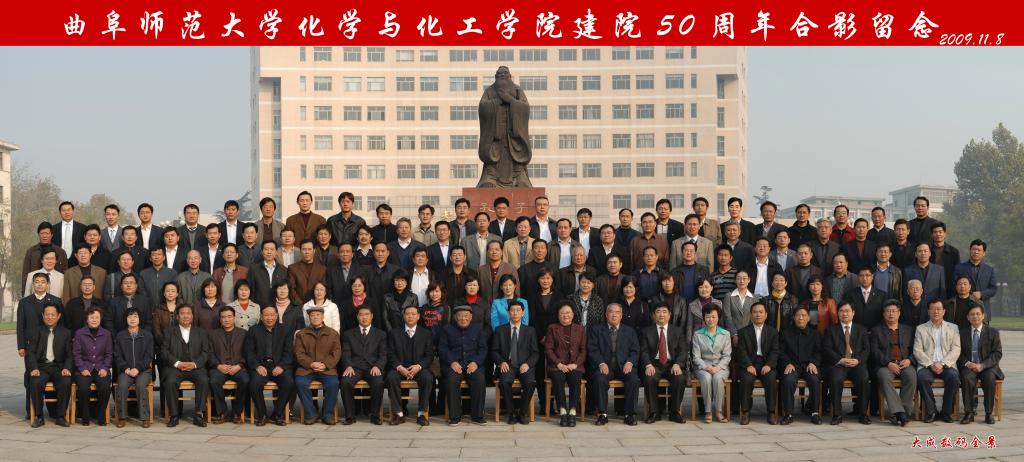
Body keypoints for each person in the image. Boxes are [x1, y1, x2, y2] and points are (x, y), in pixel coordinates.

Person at [587, 303, 640, 426]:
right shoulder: (596, 329)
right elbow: (592, 349)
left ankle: (629, 414)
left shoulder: (629, 331)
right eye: (611, 312)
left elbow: (635, 350)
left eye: (617, 312)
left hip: (624, 366)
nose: (614, 315)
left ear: (621, 315)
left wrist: (630, 362)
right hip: (605, 366)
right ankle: (602, 414)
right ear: (606, 315)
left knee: (633, 379)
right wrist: (600, 362)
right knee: (599, 379)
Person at [160, 305, 209, 428]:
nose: (185, 316)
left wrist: (194, 364)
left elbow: (206, 352)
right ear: (177, 317)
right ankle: (174, 415)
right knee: (170, 381)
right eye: (182, 313)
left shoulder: (201, 332)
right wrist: (178, 363)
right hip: (175, 368)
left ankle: (198, 414)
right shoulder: (168, 332)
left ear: (192, 316)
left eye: (188, 313)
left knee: (204, 380)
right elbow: (164, 352)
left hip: (195, 367)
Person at [245, 305, 295, 426]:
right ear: (261, 317)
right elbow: (249, 352)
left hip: (279, 365)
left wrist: (282, 366)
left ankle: (277, 414)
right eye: (266, 315)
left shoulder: (285, 329)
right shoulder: (254, 330)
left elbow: (289, 351)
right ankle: (262, 414)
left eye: (272, 315)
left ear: (277, 316)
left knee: (289, 383)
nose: (269, 318)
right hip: (261, 366)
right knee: (254, 384)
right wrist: (257, 366)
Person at [912, 300, 961, 423]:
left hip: (946, 365)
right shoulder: (921, 329)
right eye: (933, 309)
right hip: (927, 365)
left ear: (944, 311)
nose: (936, 311)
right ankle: (931, 411)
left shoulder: (953, 328)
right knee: (922, 378)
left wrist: (942, 363)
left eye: (939, 309)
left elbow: (956, 349)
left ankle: (946, 412)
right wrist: (931, 364)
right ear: (928, 311)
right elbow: (917, 350)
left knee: (953, 378)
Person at [440, 305, 489, 426]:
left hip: (472, 364)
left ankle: (477, 416)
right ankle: (455, 416)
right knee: (451, 381)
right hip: (454, 365)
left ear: (471, 317)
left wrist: (476, 362)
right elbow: (443, 349)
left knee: (480, 379)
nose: (463, 318)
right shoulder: (447, 329)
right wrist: (452, 361)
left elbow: (483, 349)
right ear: (455, 317)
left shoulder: (478, 329)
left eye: (466, 316)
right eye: (460, 316)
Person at [822, 303, 871, 425]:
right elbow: (826, 349)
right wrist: (840, 360)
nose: (844, 314)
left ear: (853, 313)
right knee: (835, 379)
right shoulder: (830, 330)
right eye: (841, 311)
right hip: (839, 364)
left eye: (847, 311)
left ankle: (863, 414)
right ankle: (837, 414)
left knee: (864, 379)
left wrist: (858, 360)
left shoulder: (862, 329)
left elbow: (866, 349)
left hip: (856, 364)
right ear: (837, 313)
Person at [386, 305, 435, 426]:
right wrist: (399, 367)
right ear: (403, 316)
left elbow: (429, 355)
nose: (410, 316)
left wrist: (418, 366)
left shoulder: (426, 333)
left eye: (413, 314)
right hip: (400, 368)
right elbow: (390, 354)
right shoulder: (394, 333)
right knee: (391, 377)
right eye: (407, 314)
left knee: (427, 377)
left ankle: (421, 414)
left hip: (419, 368)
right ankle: (398, 414)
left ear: (418, 316)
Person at [639, 303, 688, 424]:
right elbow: (643, 351)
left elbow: (683, 350)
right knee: (649, 378)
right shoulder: (646, 331)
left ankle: (674, 412)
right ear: (653, 315)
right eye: (658, 311)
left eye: (664, 312)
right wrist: (648, 364)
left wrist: (678, 364)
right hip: (654, 364)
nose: (661, 314)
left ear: (670, 315)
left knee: (680, 378)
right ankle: (654, 412)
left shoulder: (677, 331)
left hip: (672, 364)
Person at [294, 304, 342, 425]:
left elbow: (336, 352)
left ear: (322, 317)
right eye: (312, 315)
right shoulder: (301, 334)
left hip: (326, 369)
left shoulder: (333, 333)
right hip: (307, 369)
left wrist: (325, 364)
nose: (315, 317)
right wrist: (311, 364)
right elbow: (298, 353)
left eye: (317, 315)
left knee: (333, 384)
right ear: (309, 318)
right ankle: (311, 414)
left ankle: (327, 414)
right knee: (300, 382)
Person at [26, 303, 73, 428]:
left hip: (58, 367)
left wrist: (67, 368)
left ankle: (61, 417)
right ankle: (39, 416)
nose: (50, 317)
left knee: (65, 381)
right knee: (35, 382)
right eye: (47, 315)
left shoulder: (66, 333)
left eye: (53, 315)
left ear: (59, 316)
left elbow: (69, 355)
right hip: (41, 367)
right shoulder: (36, 331)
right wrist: (34, 368)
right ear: (43, 316)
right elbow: (30, 353)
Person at [492, 300, 538, 425]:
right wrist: (501, 362)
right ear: (508, 313)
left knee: (530, 383)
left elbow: (535, 353)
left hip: (524, 365)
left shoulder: (530, 331)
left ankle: (522, 413)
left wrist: (528, 364)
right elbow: (494, 351)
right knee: (504, 382)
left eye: (518, 310)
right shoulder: (500, 330)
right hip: (508, 365)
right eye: (512, 310)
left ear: (523, 313)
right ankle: (511, 413)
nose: (515, 313)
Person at [340, 305, 387, 425]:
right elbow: (346, 352)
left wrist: (378, 366)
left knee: (378, 382)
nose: (364, 317)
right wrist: (348, 365)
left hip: (372, 367)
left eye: (367, 314)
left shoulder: (380, 334)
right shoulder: (348, 334)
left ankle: (375, 415)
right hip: (354, 367)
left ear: (372, 316)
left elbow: (383, 354)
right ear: (357, 317)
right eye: (361, 315)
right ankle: (350, 416)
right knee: (345, 382)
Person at [872, 301, 916, 427]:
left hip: (904, 363)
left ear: (899, 313)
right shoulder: (876, 330)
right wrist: (888, 363)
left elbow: (915, 349)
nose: (891, 314)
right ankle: (900, 413)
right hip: (885, 365)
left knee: (912, 377)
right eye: (888, 311)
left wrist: (909, 360)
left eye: (894, 311)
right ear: (884, 314)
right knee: (884, 377)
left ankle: (902, 412)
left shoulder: (908, 330)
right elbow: (874, 351)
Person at [735, 302, 779, 425]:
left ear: (766, 315)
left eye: (761, 312)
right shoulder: (743, 332)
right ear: (751, 315)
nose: (758, 315)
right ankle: (745, 412)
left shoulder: (773, 332)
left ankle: (771, 412)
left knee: (771, 379)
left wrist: (769, 365)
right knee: (746, 379)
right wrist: (748, 365)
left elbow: (775, 351)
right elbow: (741, 351)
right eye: (755, 312)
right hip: (749, 364)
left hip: (766, 364)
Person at [958, 304, 1003, 425]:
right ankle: (969, 412)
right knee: (966, 378)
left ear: (983, 316)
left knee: (989, 378)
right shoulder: (962, 333)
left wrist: (982, 365)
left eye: (978, 314)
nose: (975, 316)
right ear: (968, 317)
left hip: (987, 367)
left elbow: (997, 353)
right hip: (969, 366)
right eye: (972, 314)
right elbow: (958, 353)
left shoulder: (993, 332)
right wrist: (968, 363)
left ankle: (988, 413)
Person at [778, 305, 823, 425]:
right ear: (793, 318)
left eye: (803, 315)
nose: (801, 318)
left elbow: (819, 352)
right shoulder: (785, 333)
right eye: (798, 315)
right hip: (792, 366)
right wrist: (787, 363)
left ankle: (814, 413)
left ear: (808, 318)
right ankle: (788, 414)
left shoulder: (815, 334)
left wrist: (813, 363)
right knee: (788, 380)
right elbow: (781, 352)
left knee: (815, 380)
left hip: (808, 366)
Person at [544, 303, 586, 427]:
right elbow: (548, 349)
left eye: (568, 313)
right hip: (557, 366)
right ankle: (562, 410)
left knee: (575, 378)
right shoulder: (552, 328)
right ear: (558, 315)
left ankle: (572, 411)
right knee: (558, 378)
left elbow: (583, 350)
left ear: (573, 314)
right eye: (562, 313)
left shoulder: (580, 329)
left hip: (574, 366)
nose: (565, 315)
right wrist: (558, 363)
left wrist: (575, 364)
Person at [72, 306, 113, 426]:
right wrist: (82, 368)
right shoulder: (79, 333)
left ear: (100, 319)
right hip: (84, 368)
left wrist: (105, 368)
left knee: (105, 388)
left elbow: (109, 354)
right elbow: (76, 354)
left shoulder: (107, 334)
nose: (94, 320)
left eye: (97, 317)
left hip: (101, 368)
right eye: (91, 317)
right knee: (83, 389)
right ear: (87, 319)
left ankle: (101, 416)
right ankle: (85, 416)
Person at [208, 306, 249, 424]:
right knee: (214, 380)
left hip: (238, 367)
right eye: (223, 317)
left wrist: (239, 365)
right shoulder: (213, 334)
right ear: (220, 319)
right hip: (219, 368)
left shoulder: (243, 333)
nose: (226, 320)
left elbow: (248, 353)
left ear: (234, 318)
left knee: (245, 380)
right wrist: (218, 366)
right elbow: (209, 353)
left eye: (229, 317)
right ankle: (223, 413)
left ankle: (237, 413)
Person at [113, 308, 153, 427]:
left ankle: (145, 417)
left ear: (139, 319)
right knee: (122, 385)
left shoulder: (147, 335)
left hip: (144, 370)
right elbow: (117, 356)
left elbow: (149, 356)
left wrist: (138, 369)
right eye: (130, 317)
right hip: (126, 371)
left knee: (140, 385)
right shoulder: (120, 336)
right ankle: (121, 417)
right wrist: (126, 369)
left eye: (135, 316)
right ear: (126, 319)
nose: (132, 319)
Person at [952, 239, 998, 305]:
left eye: (979, 250)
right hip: (964, 305)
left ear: (984, 253)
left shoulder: (989, 270)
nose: (976, 252)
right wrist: (967, 294)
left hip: (983, 306)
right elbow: (954, 285)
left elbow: (993, 289)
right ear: (970, 250)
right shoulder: (959, 268)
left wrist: (981, 294)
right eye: (974, 249)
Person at [844, 266, 887, 330]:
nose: (864, 278)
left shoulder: (882, 295)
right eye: (861, 276)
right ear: (858, 277)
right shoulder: (850, 294)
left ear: (872, 277)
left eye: (867, 275)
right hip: (856, 331)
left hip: (876, 331)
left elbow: (884, 315)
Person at [250, 241, 289, 308]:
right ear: (262, 252)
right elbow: (251, 289)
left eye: (272, 249)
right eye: (266, 249)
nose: (269, 252)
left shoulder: (283, 270)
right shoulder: (254, 269)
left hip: (279, 306)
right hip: (258, 307)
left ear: (276, 252)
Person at [288, 240, 327, 304]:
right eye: (304, 249)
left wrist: (315, 304)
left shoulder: (322, 269)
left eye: (309, 249)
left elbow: (323, 289)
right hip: (298, 305)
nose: (307, 252)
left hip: (317, 305)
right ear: (300, 251)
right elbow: (291, 289)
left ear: (314, 251)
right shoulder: (292, 268)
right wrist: (301, 304)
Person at [929, 222, 960, 298]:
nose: (938, 234)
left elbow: (957, 271)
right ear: (931, 235)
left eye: (940, 232)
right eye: (935, 232)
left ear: (945, 233)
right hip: (931, 287)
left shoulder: (953, 252)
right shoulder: (927, 251)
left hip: (949, 288)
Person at [722, 270, 754, 335]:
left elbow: (754, 318)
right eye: (739, 278)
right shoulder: (728, 296)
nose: (741, 281)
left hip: (750, 334)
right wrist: (734, 334)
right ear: (735, 280)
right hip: (732, 334)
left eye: (744, 278)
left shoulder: (754, 298)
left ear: (749, 280)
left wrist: (749, 334)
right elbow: (727, 317)